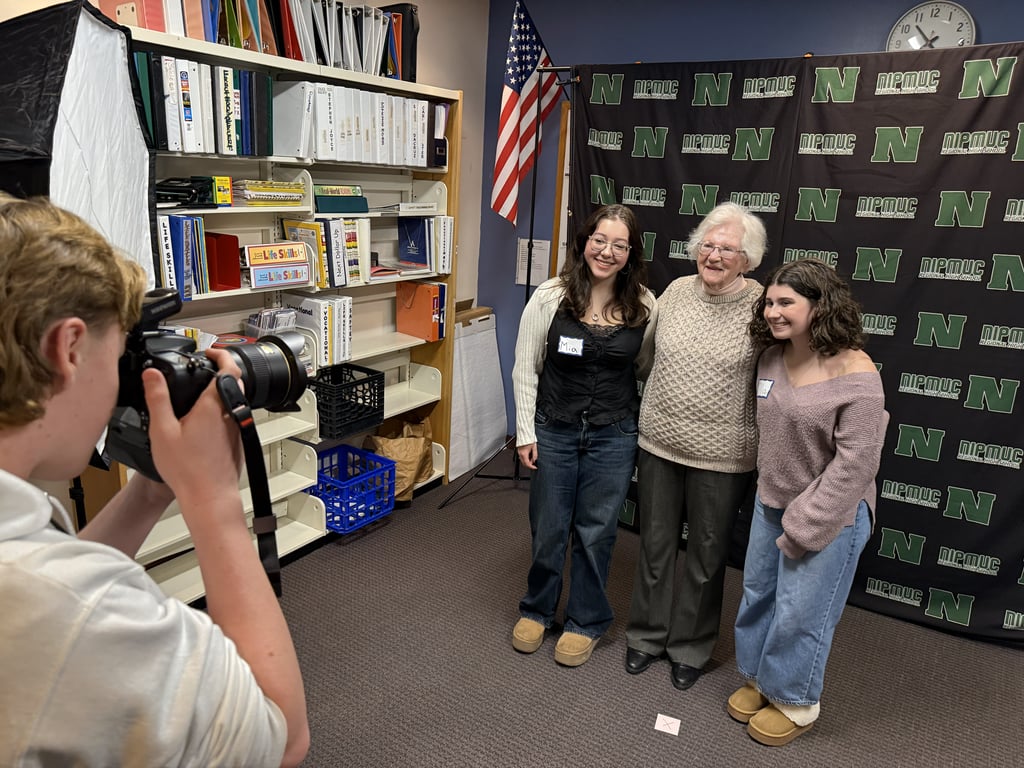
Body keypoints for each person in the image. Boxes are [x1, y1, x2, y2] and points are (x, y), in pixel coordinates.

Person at [0, 194, 310, 767]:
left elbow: (52, 572)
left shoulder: (35, 568)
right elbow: (281, 736)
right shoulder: (78, 610)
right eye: (119, 356)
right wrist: (214, 502)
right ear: (68, 348)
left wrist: (151, 490)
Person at [728, 258, 887, 746]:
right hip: (771, 501)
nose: (773, 312)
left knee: (802, 611)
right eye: (769, 303)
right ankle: (760, 678)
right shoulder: (771, 358)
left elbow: (857, 463)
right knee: (758, 595)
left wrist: (805, 523)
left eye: (786, 303)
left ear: (819, 306)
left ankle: (795, 701)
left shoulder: (857, 371)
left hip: (830, 514)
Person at [624, 201, 765, 691]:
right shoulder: (677, 291)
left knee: (706, 556)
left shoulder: (761, 307)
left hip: (723, 455)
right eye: (708, 245)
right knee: (655, 545)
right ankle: (646, 636)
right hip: (659, 442)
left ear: (747, 259)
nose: (715, 255)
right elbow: (646, 357)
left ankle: (690, 647)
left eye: (728, 249)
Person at [511, 203, 657, 667]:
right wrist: (525, 432)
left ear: (631, 253)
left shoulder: (645, 305)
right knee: (549, 527)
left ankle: (586, 621)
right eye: (600, 240)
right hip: (554, 429)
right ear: (585, 241)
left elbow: (644, 367)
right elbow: (525, 368)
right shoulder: (550, 296)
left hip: (614, 435)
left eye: (619, 245)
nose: (607, 252)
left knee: (597, 532)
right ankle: (537, 610)